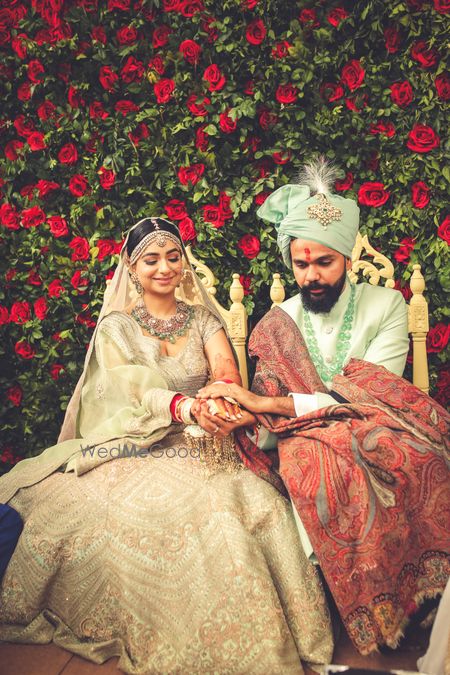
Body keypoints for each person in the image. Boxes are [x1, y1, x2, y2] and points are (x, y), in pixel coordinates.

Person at [0, 217, 333, 674]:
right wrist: (185, 408)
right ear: (131, 269)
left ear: (183, 264)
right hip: (138, 441)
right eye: (151, 259)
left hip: (205, 440)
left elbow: (225, 371)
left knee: (245, 503)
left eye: (173, 257)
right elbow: (127, 392)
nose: (164, 268)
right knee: (119, 513)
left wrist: (219, 404)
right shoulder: (116, 328)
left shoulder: (203, 320)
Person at [197, 160, 450, 657]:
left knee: (419, 461)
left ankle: (414, 602)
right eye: (300, 264)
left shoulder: (387, 305)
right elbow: (270, 426)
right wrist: (247, 412)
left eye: (324, 263)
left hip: (378, 421)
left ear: (347, 258)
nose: (311, 276)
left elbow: (372, 394)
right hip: (297, 439)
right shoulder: (277, 322)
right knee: (317, 465)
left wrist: (266, 403)